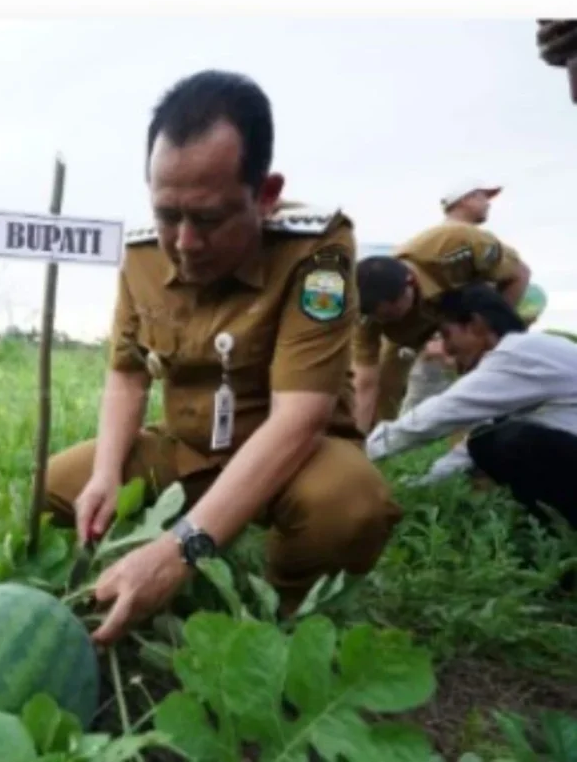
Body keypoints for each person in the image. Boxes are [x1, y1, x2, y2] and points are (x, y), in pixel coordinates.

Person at [42, 69, 403, 645]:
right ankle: (93, 586)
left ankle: (280, 620)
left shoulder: (316, 248)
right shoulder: (139, 256)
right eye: (167, 215)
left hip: (294, 455)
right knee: (55, 488)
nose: (184, 242)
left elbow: (299, 418)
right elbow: (127, 374)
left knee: (348, 505)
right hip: (187, 450)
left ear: (265, 195)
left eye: (208, 218)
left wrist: (181, 548)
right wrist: (109, 471)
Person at [366, 282, 577, 532]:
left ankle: (560, 529)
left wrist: (359, 452)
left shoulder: (518, 354)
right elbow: (470, 446)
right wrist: (413, 487)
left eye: (447, 334)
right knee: (489, 441)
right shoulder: (527, 355)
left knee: (507, 441)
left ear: (476, 326)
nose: (445, 348)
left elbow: (440, 414)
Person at [352, 186, 531, 432]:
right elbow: (365, 382)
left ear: (409, 285)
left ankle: (515, 422)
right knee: (386, 381)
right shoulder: (366, 316)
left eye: (392, 313)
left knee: (494, 362)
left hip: (473, 302)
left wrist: (487, 331)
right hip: (417, 331)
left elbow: (519, 275)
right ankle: (377, 442)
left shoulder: (459, 244)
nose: (386, 320)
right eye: (379, 317)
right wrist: (357, 441)